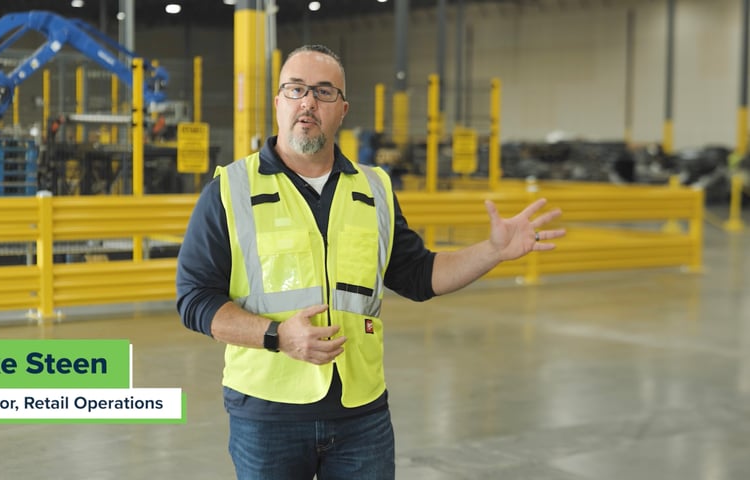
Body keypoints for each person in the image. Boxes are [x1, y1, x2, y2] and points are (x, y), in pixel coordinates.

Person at [175, 44, 566, 480]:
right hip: (267, 416)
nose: (308, 102)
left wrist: (492, 250)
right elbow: (194, 299)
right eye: (295, 89)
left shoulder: (375, 188)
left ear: (343, 109)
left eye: (324, 92)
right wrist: (277, 336)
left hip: (362, 414)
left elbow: (418, 275)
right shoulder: (230, 189)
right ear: (277, 102)